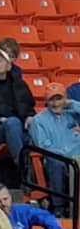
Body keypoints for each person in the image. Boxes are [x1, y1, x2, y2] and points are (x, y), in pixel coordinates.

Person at [27, 83, 80, 214]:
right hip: (56, 158)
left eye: (59, 99)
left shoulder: (72, 114)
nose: (56, 104)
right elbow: (43, 147)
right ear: (46, 101)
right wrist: (66, 154)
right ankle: (59, 207)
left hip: (76, 157)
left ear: (65, 100)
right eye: (52, 100)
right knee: (56, 162)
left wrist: (72, 104)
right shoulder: (38, 120)